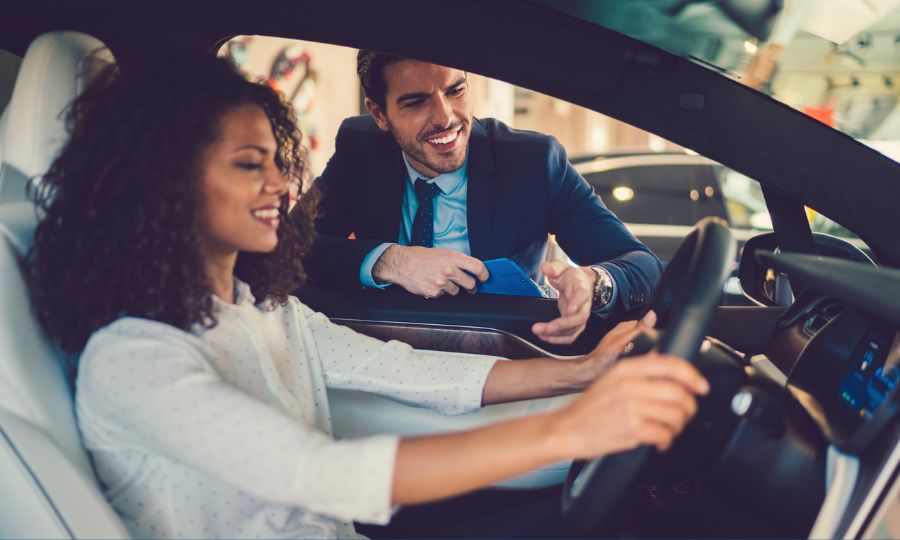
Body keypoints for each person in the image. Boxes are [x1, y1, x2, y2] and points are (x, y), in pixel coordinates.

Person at [26, 54, 707, 539]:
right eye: (247, 165)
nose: (281, 186)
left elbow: (399, 367)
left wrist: (579, 372)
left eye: (276, 161)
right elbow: (317, 471)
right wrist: (571, 428)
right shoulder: (133, 360)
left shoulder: (258, 308)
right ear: (162, 184)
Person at [303, 50, 664, 345]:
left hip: (501, 352)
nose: (446, 118)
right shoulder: (359, 148)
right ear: (379, 114)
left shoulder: (533, 161)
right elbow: (293, 246)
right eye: (416, 103)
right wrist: (391, 261)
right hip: (381, 350)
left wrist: (593, 283)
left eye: (455, 91)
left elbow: (642, 265)